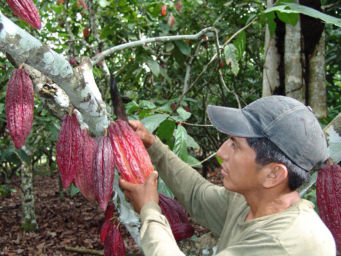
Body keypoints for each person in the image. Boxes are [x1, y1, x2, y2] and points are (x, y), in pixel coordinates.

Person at [119, 95, 336, 256]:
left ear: (273, 173)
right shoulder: (251, 201)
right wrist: (153, 145)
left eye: (235, 145)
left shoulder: (285, 242)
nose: (221, 152)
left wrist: (149, 209)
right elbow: (197, 194)